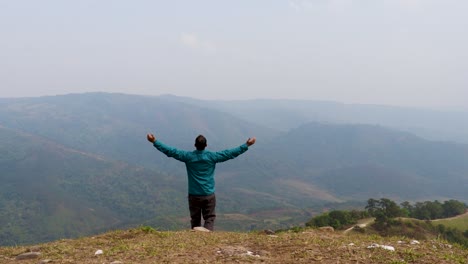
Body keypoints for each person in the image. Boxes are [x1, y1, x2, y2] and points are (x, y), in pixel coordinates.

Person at [146, 133, 256, 231]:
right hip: (208, 194)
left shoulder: (188, 157)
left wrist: (155, 141)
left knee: (195, 219)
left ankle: (196, 239)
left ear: (195, 145)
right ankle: (207, 238)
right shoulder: (212, 157)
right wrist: (246, 145)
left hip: (194, 195)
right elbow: (230, 153)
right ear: (206, 145)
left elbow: (170, 151)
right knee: (209, 218)